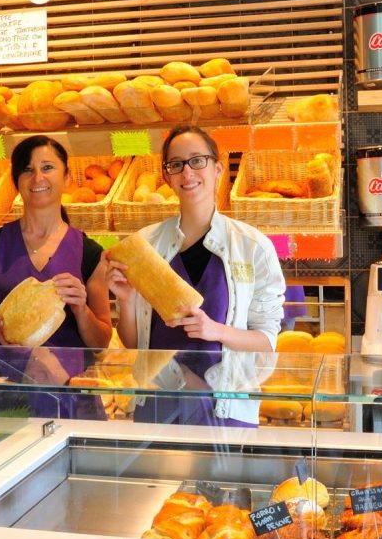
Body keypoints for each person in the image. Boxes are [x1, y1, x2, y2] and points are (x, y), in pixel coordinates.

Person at [104, 125, 283, 427]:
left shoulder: (253, 246)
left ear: (218, 169)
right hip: (159, 404)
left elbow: (266, 341)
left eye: (197, 160)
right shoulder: (146, 245)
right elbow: (136, 345)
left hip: (226, 408)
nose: (187, 172)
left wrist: (215, 331)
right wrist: (126, 299)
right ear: (167, 177)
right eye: (176, 164)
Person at [0, 135, 113, 419]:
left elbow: (101, 342)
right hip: (6, 398)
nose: (37, 177)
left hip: (72, 401)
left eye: (48, 167)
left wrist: (81, 310)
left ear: (66, 177)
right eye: (27, 169)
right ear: (16, 181)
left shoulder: (90, 252)